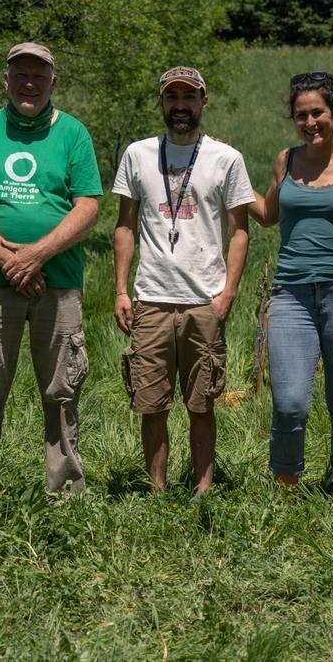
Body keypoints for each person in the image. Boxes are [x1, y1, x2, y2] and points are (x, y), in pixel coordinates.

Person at [0, 42, 101, 494]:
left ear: (53, 82)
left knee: (62, 392)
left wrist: (37, 255)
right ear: (7, 80)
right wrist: (10, 260)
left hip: (58, 285)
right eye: (20, 74)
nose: (29, 83)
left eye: (38, 75)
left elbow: (88, 206)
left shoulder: (73, 134)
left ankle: (65, 496)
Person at [113, 66, 254, 496]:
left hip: (203, 301)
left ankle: (203, 488)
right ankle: (157, 491)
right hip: (151, 298)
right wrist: (121, 289)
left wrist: (228, 293)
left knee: (202, 401)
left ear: (203, 103)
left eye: (188, 98)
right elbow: (124, 225)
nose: (180, 107)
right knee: (150, 403)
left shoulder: (225, 158)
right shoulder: (137, 154)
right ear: (161, 102)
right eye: (172, 98)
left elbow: (241, 229)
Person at [248, 72, 333, 492]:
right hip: (290, 294)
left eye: (317, 112)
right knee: (290, 402)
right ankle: (287, 492)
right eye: (301, 115)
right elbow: (268, 215)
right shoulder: (287, 160)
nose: (310, 122)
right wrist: (228, 175)